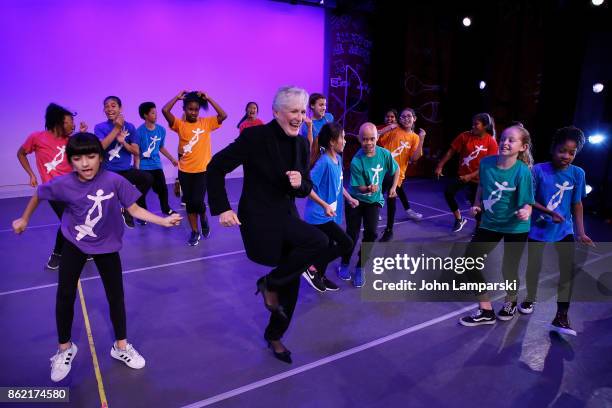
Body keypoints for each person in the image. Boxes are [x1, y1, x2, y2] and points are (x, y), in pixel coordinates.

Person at [12, 133, 182, 382]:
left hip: (107, 245)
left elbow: (134, 209)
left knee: (116, 296)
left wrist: (163, 221)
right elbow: (39, 192)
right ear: (70, 161)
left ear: (100, 157)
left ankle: (121, 347)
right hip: (75, 242)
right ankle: (64, 348)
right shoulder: (63, 183)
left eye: (91, 156)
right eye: (78, 158)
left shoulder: (115, 181)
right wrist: (25, 218)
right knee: (65, 294)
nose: (85, 163)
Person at [207, 86, 341, 363]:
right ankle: (269, 282)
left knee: (291, 285)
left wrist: (299, 183)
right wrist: (222, 207)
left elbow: (305, 186)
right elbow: (216, 166)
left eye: (303, 111)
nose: (299, 117)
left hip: (286, 216)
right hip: (259, 219)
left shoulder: (302, 143)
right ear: (277, 112)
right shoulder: (255, 137)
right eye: (294, 111)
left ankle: (274, 335)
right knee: (320, 240)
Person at [520, 126, 594, 336]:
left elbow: (577, 204)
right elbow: (529, 199)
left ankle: (562, 315)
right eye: (562, 150)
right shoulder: (538, 170)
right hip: (539, 227)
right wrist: (547, 212)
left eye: (572, 153)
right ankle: (530, 296)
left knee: (567, 271)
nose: (566, 156)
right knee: (534, 266)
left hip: (564, 229)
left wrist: (581, 232)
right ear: (553, 149)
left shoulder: (578, 173)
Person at [459, 125, 534, 326]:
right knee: (469, 261)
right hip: (489, 223)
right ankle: (486, 310)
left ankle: (510, 302)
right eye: (503, 139)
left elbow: (528, 201)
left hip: (515, 227)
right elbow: (482, 186)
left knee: (509, 268)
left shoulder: (522, 171)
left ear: (523, 147)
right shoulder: (486, 164)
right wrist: (476, 204)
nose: (505, 143)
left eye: (511, 140)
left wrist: (526, 211)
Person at [17, 103, 87, 269]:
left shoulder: (71, 140)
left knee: (75, 219)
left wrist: (82, 136)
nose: (74, 125)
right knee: (67, 220)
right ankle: (57, 254)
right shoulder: (37, 137)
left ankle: (82, 248)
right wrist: (31, 174)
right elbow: (21, 153)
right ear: (59, 122)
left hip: (74, 188)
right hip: (53, 190)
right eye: (70, 121)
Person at [162, 90, 227, 246]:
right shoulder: (180, 124)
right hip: (185, 171)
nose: (193, 112)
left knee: (198, 201)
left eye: (196, 109)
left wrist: (209, 98)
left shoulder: (206, 123)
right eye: (190, 109)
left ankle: (203, 217)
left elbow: (223, 115)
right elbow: (165, 110)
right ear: (184, 109)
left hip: (202, 171)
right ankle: (194, 231)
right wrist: (177, 98)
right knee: (190, 203)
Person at [337, 122, 399, 287]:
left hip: (373, 202)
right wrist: (369, 188)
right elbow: (359, 188)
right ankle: (344, 263)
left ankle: (360, 267)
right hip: (355, 200)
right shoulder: (357, 160)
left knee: (371, 234)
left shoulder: (384, 154)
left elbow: (396, 169)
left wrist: (393, 187)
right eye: (365, 139)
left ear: (377, 138)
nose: (369, 143)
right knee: (352, 234)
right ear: (359, 139)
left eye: (372, 139)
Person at [302, 123, 357, 292]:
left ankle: (321, 276)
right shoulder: (323, 162)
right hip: (319, 215)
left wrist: (349, 198)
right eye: (343, 138)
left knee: (329, 245)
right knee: (346, 243)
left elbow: (339, 184)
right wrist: (324, 204)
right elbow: (307, 187)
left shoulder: (338, 159)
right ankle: (311, 267)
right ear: (333, 142)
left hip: (331, 213)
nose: (345, 141)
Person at [94, 96, 153, 228]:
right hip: (107, 172)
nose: (109, 109)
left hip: (125, 170)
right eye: (106, 106)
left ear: (120, 108)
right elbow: (101, 147)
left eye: (113, 105)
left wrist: (123, 142)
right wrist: (116, 129)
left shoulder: (130, 127)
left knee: (147, 178)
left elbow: (136, 151)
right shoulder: (99, 127)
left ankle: (128, 208)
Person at [435, 113, 498, 232]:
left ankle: (479, 228)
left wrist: (471, 176)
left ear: (485, 126)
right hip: (463, 175)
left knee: (476, 206)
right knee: (449, 192)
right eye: (473, 123)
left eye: (476, 124)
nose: (473, 126)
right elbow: (451, 152)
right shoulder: (465, 136)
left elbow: (488, 166)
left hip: (479, 180)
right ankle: (459, 219)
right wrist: (440, 165)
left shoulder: (491, 142)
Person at [377, 108, 426, 241]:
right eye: (403, 116)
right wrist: (389, 127)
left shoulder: (415, 137)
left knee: (391, 199)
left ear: (414, 118)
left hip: (397, 173)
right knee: (374, 198)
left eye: (409, 116)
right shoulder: (393, 130)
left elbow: (414, 158)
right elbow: (376, 135)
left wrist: (421, 139)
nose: (406, 119)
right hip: (380, 170)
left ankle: (389, 230)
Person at [136, 102, 178, 216]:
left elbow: (161, 147)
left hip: (156, 165)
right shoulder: (139, 132)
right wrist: (137, 168)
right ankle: (142, 213)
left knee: (163, 189)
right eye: (153, 113)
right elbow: (136, 151)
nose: (156, 115)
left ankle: (166, 209)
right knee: (142, 192)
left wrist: (172, 159)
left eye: (156, 112)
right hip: (144, 166)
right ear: (145, 115)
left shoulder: (161, 130)